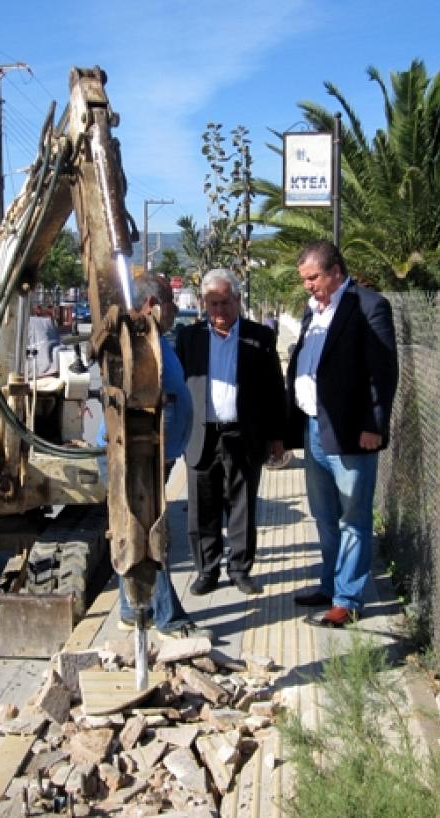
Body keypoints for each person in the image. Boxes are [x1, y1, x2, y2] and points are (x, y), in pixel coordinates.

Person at [285, 240, 398, 628]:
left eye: (313, 277)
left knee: (353, 516)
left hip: (352, 433)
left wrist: (374, 425)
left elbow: (382, 372)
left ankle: (348, 601)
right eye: (304, 280)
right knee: (324, 514)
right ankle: (330, 584)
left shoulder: (368, 306)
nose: (308, 286)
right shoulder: (312, 310)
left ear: (335, 271)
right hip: (314, 426)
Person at [98, 273, 213, 641]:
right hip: (139, 453)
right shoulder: (135, 342)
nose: (174, 312)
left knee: (132, 529)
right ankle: (167, 617)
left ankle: (132, 610)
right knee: (149, 532)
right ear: (152, 304)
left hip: (156, 452)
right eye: (171, 305)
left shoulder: (154, 339)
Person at [176, 268, 285, 596]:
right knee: (201, 509)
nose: (219, 311)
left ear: (238, 300)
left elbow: (274, 390)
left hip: (244, 435)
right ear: (203, 304)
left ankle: (240, 569)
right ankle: (207, 570)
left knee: (242, 506)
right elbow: (176, 390)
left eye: (225, 302)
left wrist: (277, 438)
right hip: (201, 436)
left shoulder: (260, 337)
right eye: (213, 304)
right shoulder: (189, 338)